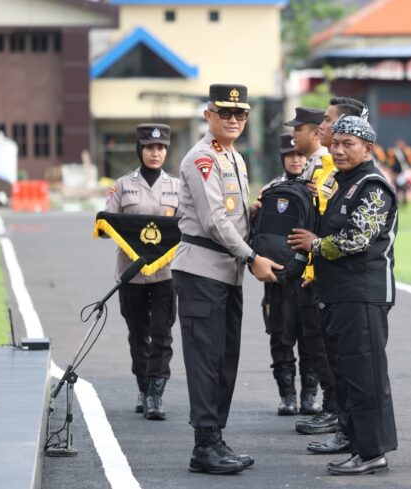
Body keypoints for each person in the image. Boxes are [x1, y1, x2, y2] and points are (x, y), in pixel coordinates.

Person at [171, 83, 282, 475]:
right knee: (205, 360)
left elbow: (232, 215)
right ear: (209, 116)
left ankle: (215, 438)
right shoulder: (201, 158)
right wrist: (252, 256)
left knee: (224, 360)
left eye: (241, 114)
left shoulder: (233, 157)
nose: (234, 120)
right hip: (202, 270)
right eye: (226, 113)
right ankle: (204, 446)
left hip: (226, 273)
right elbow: (214, 220)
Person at [289, 115, 399, 476]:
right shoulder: (340, 182)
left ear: (368, 148)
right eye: (335, 143)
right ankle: (357, 444)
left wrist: (315, 245)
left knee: (364, 375)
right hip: (338, 294)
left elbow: (357, 238)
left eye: (348, 144)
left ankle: (372, 452)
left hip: (362, 295)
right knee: (346, 374)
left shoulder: (373, 185)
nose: (338, 150)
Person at [297, 96, 368, 454]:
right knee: (327, 351)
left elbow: (347, 235)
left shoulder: (360, 179)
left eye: (329, 121)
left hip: (349, 282)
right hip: (325, 275)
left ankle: (348, 429)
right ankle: (341, 422)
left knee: (347, 361)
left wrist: (313, 255)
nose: (323, 127)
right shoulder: (332, 172)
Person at [104, 123, 180, 420]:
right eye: (149, 147)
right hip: (131, 273)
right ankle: (143, 384)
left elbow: (186, 225)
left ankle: (155, 395)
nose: (155, 153)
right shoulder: (122, 186)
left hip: (165, 275)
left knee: (162, 333)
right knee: (138, 333)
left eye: (161, 148)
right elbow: (108, 222)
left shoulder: (176, 187)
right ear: (140, 149)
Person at [259, 133, 323, 416]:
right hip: (279, 274)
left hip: (309, 275)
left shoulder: (318, 187)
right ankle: (287, 396)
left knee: (312, 337)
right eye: (290, 155)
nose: (296, 159)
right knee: (281, 336)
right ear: (282, 158)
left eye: (300, 155)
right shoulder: (269, 190)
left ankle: (310, 395)